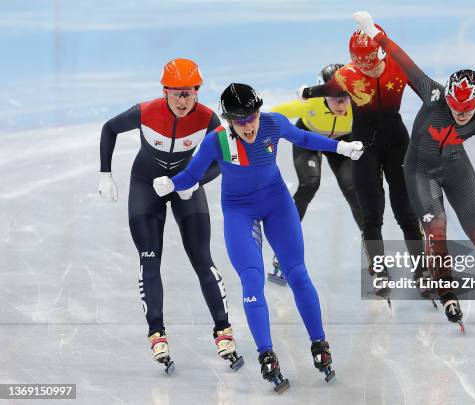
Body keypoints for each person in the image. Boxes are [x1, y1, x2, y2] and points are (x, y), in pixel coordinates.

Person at [152, 83, 363, 391]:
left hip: (277, 204)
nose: (248, 126)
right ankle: (266, 353)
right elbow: (192, 175)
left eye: (252, 117)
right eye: (240, 121)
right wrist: (170, 184)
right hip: (240, 212)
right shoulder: (218, 142)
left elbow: (303, 137)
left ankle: (319, 343)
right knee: (252, 280)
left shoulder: (273, 123)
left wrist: (341, 147)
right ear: (228, 122)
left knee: (297, 273)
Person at [352, 11, 475, 330]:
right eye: (456, 108)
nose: (461, 115)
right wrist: (373, 32)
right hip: (419, 170)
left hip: (455, 167)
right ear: (447, 97)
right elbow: (403, 60)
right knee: (437, 230)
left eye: (467, 110)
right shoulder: (433, 92)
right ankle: (446, 289)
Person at [97, 58, 243, 373]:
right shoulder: (145, 111)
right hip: (145, 186)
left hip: (185, 185)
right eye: (175, 93)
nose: (181, 101)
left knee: (202, 259)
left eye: (188, 94)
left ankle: (223, 329)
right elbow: (109, 128)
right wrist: (105, 174)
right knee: (149, 259)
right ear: (164, 91)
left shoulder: (207, 119)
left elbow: (225, 159)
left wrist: (195, 182)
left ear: (198, 92)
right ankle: (156, 331)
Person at [299, 25, 424, 295]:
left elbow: (428, 93)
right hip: (363, 148)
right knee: (371, 215)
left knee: (406, 211)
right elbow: (328, 88)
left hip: (397, 145)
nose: (365, 69)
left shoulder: (399, 66)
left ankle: (422, 268)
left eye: (370, 62)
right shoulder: (347, 75)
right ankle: (378, 269)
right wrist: (307, 93)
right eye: (359, 63)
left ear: (381, 53)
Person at [267, 63, 362, 285]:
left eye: (345, 97)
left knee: (353, 190)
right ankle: (284, 251)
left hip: (342, 142)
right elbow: (274, 114)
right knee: (309, 185)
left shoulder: (359, 106)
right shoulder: (310, 105)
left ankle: (374, 253)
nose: (341, 103)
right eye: (335, 97)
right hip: (308, 139)